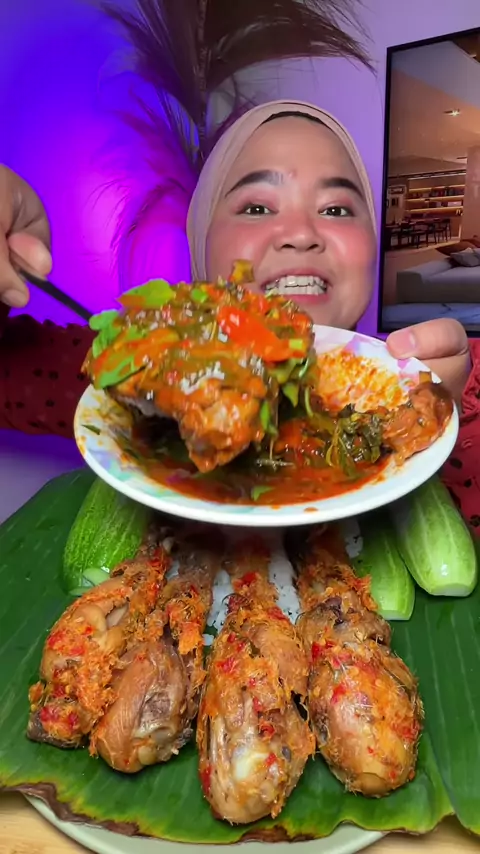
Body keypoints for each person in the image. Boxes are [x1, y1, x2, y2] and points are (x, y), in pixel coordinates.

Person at [0, 98, 479, 530]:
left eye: (335, 209)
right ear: (201, 244)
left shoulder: (457, 377)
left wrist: (446, 430)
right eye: (256, 207)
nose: (300, 234)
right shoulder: (137, 372)